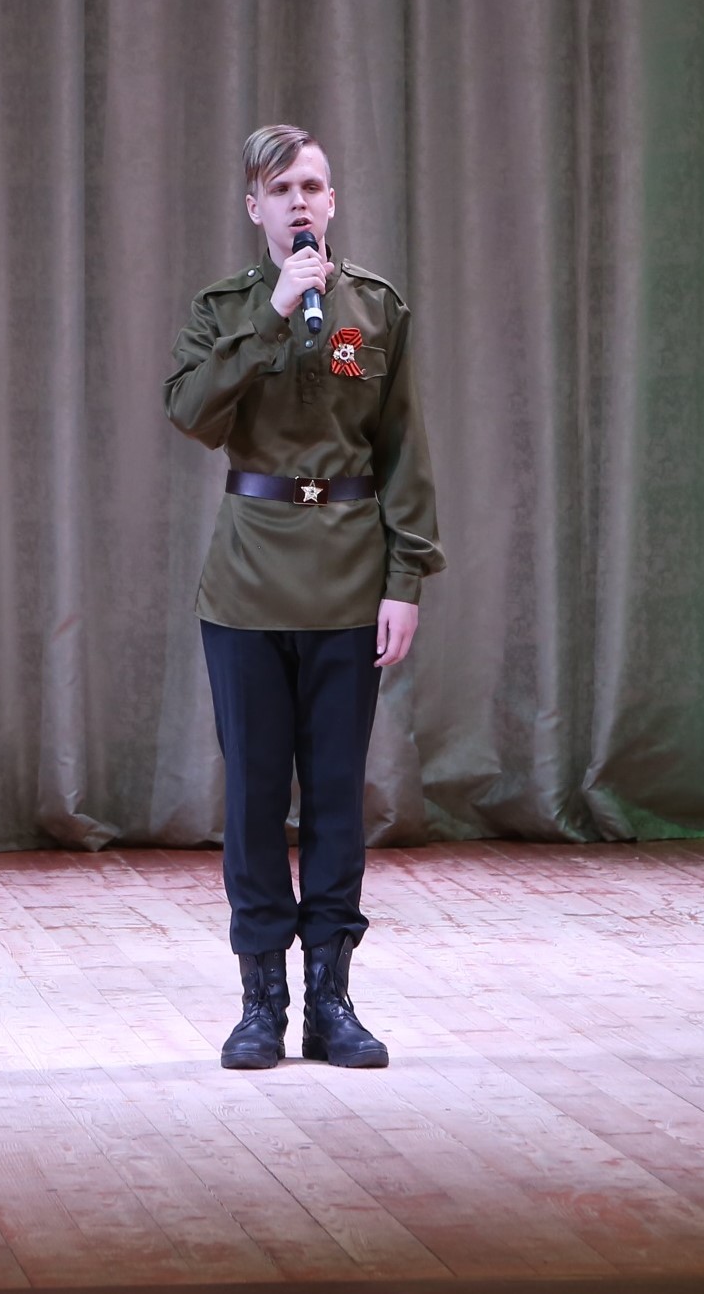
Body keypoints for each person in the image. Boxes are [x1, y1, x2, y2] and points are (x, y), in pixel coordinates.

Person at [164, 124, 444, 1070]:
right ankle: (261, 1002)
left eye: (312, 187)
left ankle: (331, 998)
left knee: (334, 797)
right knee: (253, 800)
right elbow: (191, 413)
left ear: (332, 202)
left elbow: (402, 451)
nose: (299, 202)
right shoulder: (225, 309)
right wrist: (274, 315)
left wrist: (405, 578)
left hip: (349, 580)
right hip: (249, 584)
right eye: (280, 189)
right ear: (255, 208)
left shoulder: (374, 307)